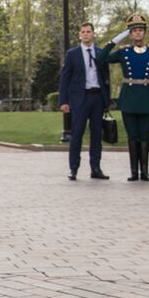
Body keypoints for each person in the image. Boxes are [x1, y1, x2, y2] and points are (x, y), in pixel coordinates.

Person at [100, 13, 149, 181]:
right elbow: (101, 58)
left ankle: (144, 171)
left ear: (144, 33)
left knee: (144, 136)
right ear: (130, 34)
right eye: (134, 31)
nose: (138, 33)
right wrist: (115, 40)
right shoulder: (123, 52)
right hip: (130, 99)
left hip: (147, 98)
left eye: (140, 30)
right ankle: (134, 172)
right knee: (132, 136)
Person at [59, 22, 112, 180]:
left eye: (88, 31)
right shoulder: (72, 54)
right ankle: (73, 168)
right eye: (83, 32)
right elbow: (65, 78)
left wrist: (107, 100)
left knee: (96, 134)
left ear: (93, 33)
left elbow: (106, 77)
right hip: (80, 98)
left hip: (97, 97)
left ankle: (95, 168)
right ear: (79, 34)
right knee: (77, 134)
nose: (86, 34)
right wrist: (64, 101)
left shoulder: (101, 53)